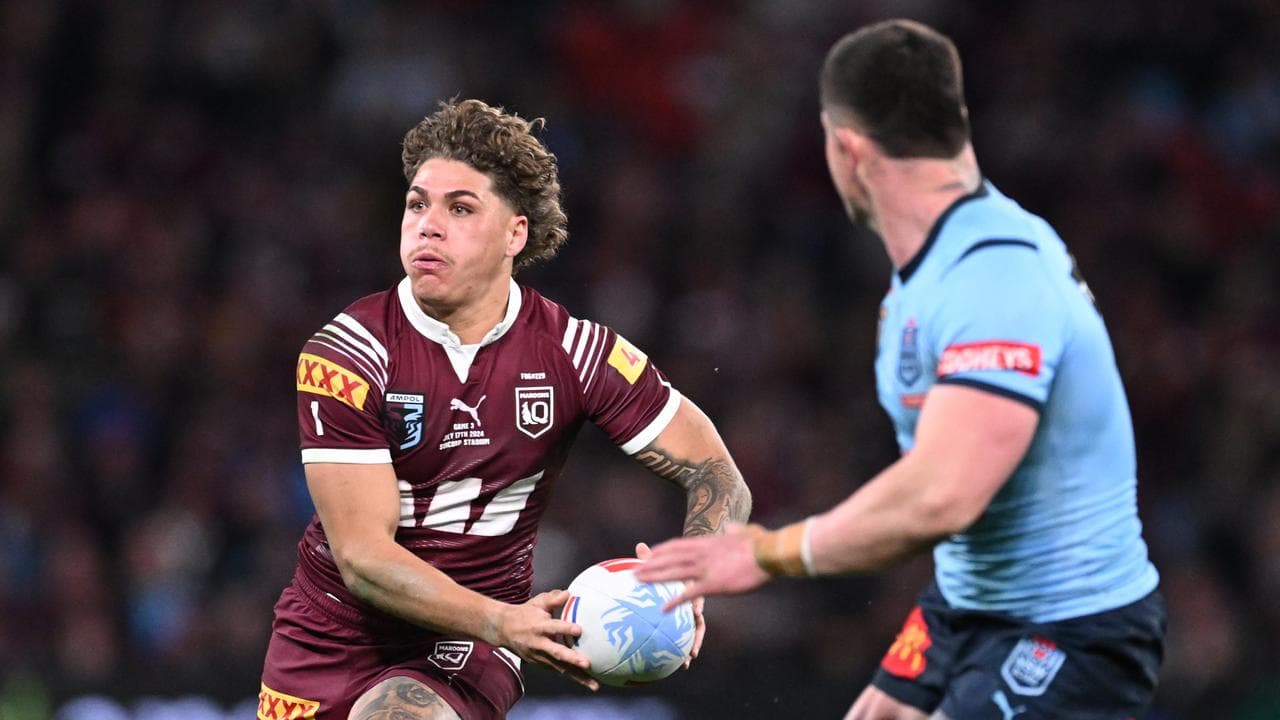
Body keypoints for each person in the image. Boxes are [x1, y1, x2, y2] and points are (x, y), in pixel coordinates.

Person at [637, 18, 1165, 720]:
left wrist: (767, 554)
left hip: (1073, 625)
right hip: (969, 602)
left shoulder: (996, 277)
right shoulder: (929, 273)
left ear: (847, 148)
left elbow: (942, 496)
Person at [259, 98, 751, 720]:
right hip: (331, 634)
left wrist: (693, 569)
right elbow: (363, 559)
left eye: (459, 208)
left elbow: (715, 469)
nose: (427, 226)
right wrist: (502, 621)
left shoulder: (575, 354)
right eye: (417, 204)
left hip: (468, 645)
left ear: (515, 233)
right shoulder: (349, 354)